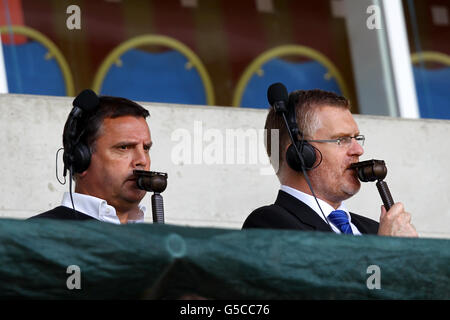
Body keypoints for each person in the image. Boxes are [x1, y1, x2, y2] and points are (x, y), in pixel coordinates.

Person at [242, 89, 418, 237]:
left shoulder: (374, 231)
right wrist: (387, 252)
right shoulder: (268, 224)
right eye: (341, 139)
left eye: (356, 138)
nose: (358, 150)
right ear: (300, 154)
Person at [30, 92, 152, 224]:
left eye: (146, 148)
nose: (142, 161)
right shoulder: (38, 233)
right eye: (124, 147)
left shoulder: (155, 237)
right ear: (80, 160)